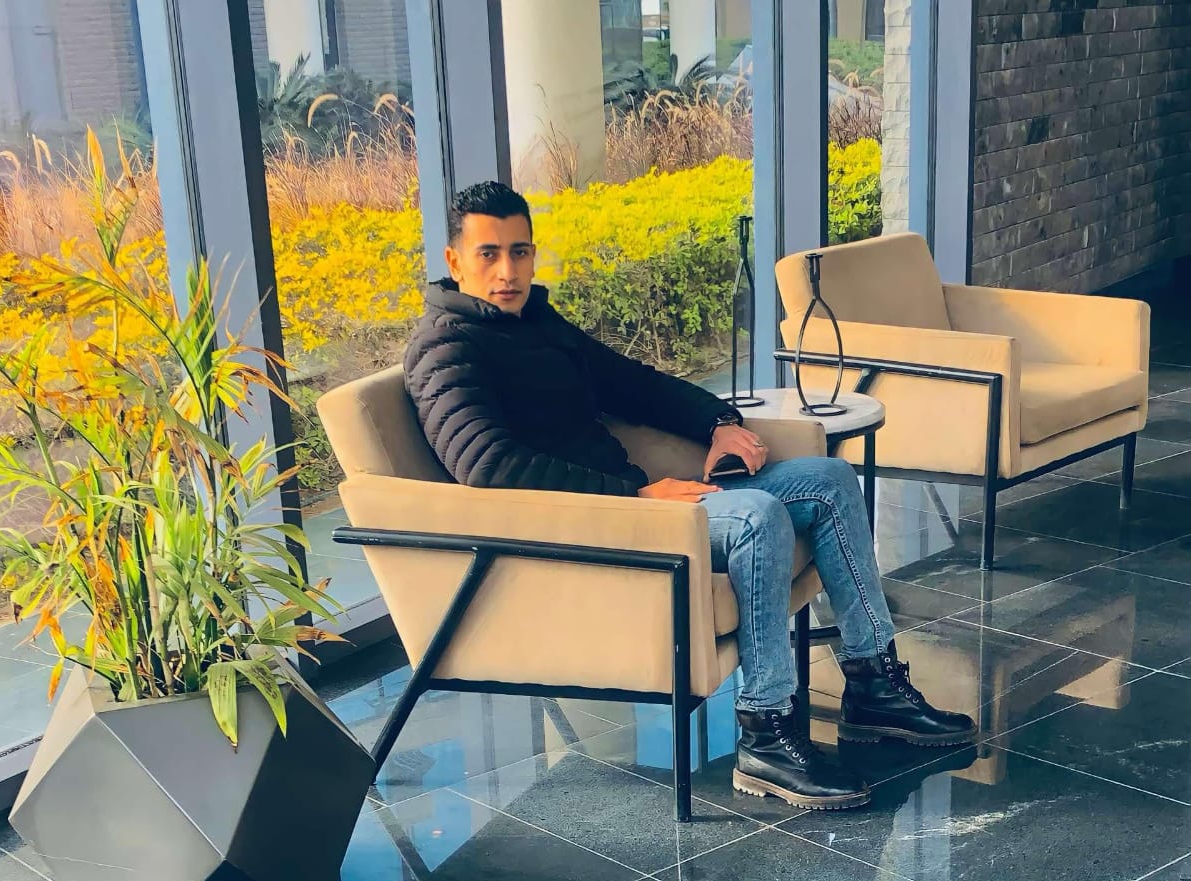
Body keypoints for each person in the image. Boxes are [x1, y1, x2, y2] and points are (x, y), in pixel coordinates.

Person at [403, 181, 975, 810]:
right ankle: (767, 734)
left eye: (519, 251)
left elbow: (633, 384)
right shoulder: (445, 347)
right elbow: (490, 468)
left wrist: (718, 421)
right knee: (757, 518)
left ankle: (874, 687)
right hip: (592, 524)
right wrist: (636, 497)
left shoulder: (536, 322)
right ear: (455, 260)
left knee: (830, 481)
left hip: (636, 504)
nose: (507, 271)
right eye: (488, 254)